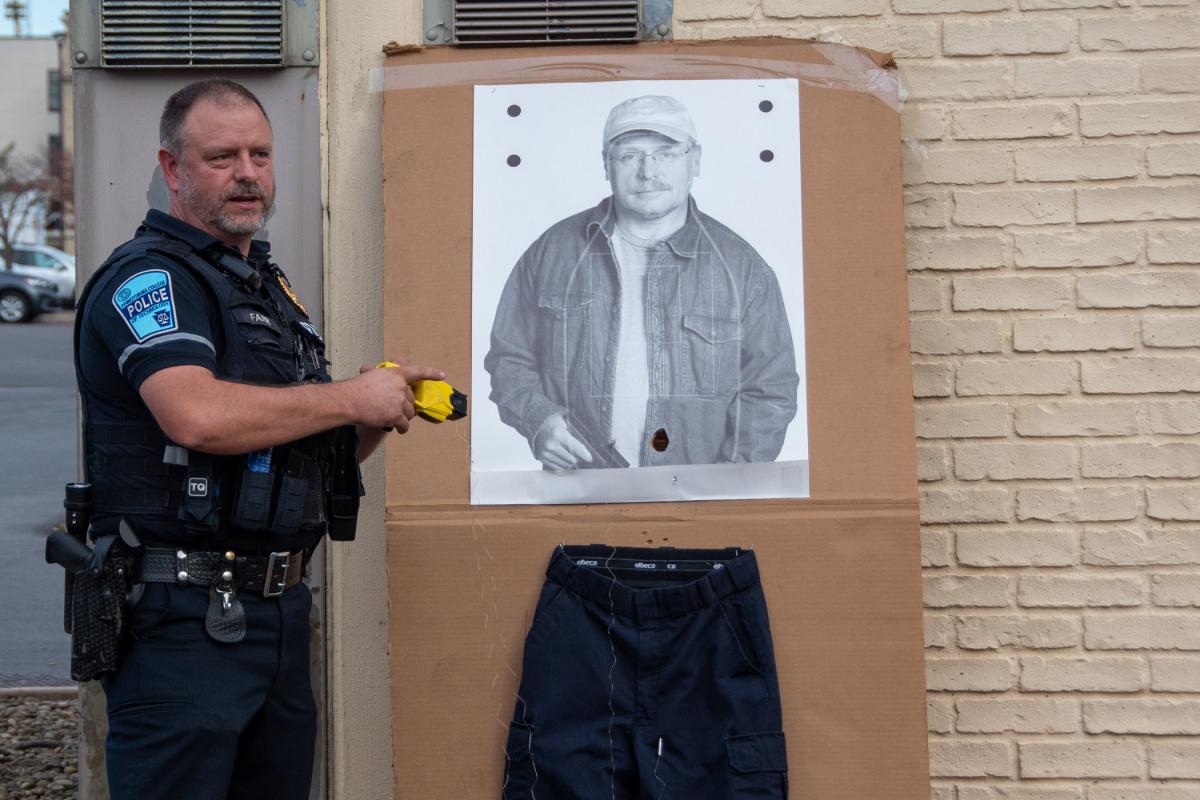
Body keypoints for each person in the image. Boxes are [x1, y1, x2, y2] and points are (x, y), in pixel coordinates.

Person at [73, 78, 441, 799]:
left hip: (274, 614)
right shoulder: (150, 281)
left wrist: (362, 418)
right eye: (222, 157)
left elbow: (291, 456)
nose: (248, 173)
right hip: (181, 625)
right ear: (172, 169)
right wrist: (345, 396)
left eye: (261, 154)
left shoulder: (263, 289)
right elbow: (197, 417)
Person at [484, 94, 799, 470]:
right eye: (629, 155)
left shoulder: (743, 269)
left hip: (697, 498)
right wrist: (541, 422)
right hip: (579, 489)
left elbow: (770, 388)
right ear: (606, 164)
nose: (648, 171)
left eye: (666, 153)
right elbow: (510, 357)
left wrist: (729, 482)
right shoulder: (552, 252)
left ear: (694, 160)